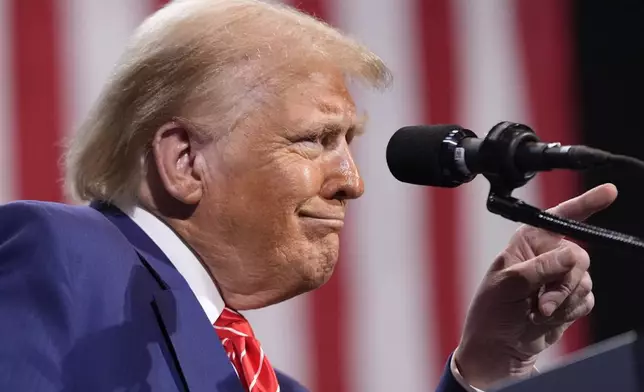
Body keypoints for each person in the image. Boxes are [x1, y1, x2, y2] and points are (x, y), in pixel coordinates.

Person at [0, 0, 617, 391]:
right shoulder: (61, 258)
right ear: (184, 161)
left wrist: (483, 367)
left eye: (347, 141)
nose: (353, 180)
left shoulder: (273, 386)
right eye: (317, 139)